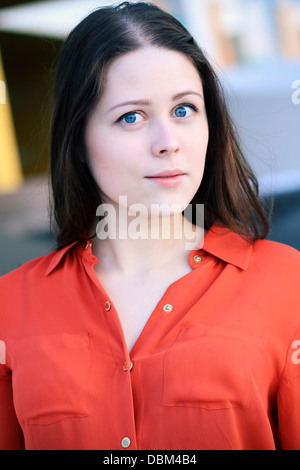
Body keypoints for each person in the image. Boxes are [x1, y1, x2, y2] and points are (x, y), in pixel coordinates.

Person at [0, 1, 300, 451]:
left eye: (184, 110)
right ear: (78, 141)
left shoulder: (286, 282)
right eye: (131, 117)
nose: (168, 143)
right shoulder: (11, 305)